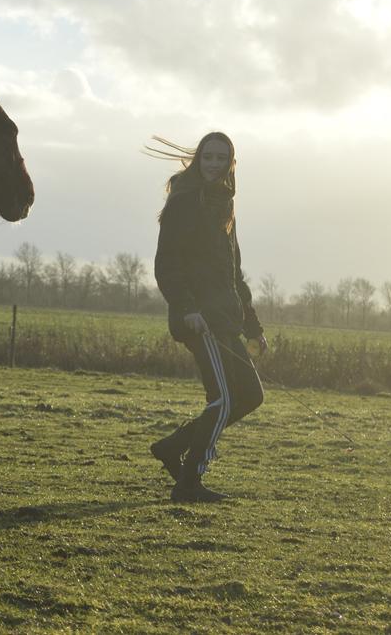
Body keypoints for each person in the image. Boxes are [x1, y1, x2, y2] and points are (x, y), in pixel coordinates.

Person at [147, 132, 267, 503]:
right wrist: (187, 310)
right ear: (198, 160)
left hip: (225, 320)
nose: (214, 163)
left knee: (249, 395)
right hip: (199, 321)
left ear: (231, 163)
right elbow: (166, 264)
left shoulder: (224, 207)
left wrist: (253, 327)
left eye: (221, 158)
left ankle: (173, 446)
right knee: (223, 399)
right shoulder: (184, 203)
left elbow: (235, 275)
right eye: (208, 157)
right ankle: (188, 482)